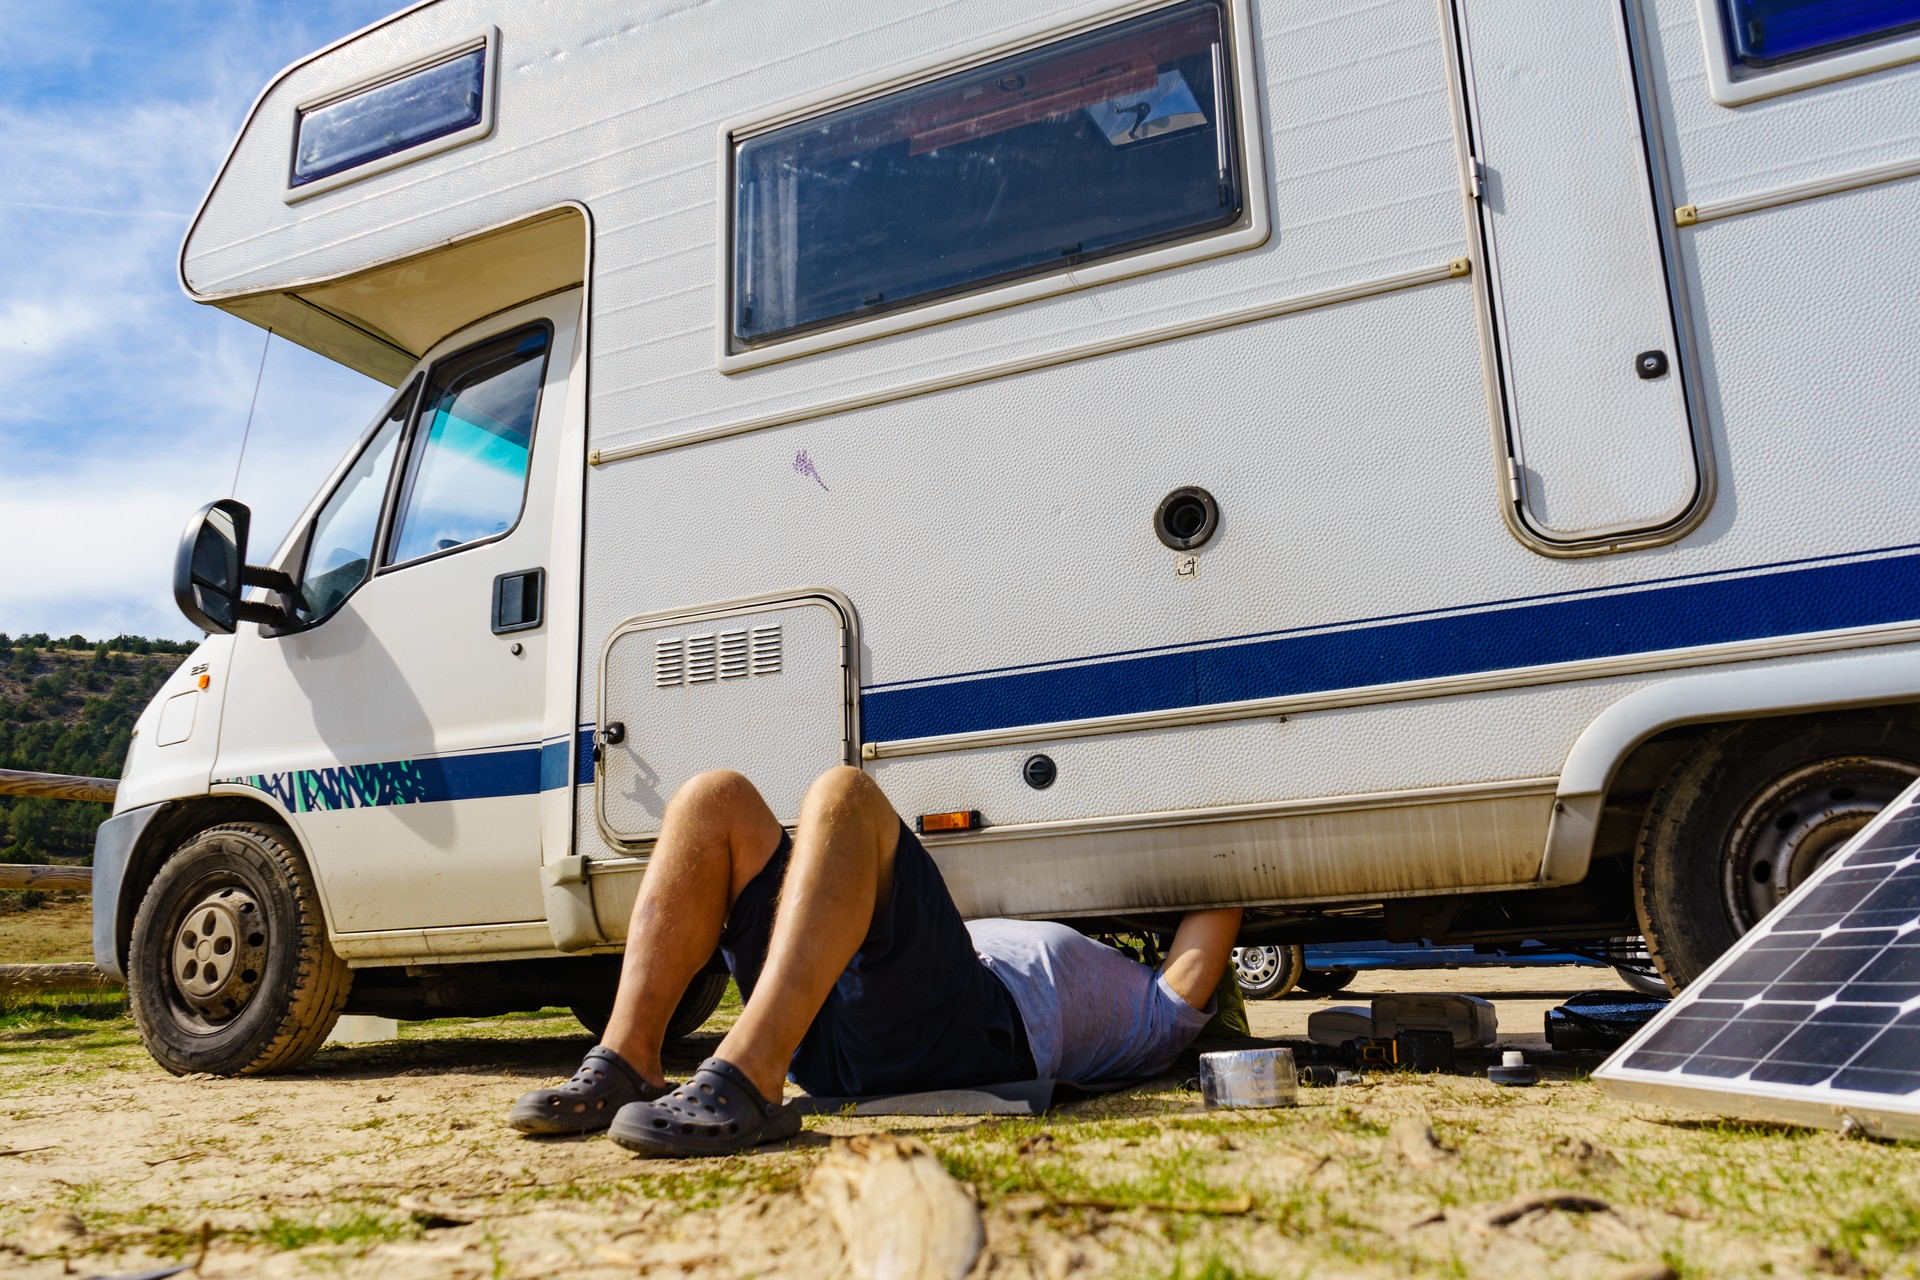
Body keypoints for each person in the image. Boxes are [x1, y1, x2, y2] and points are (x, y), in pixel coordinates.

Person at [508, 766, 1242, 1157]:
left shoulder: (1152, 1012)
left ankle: (748, 1080)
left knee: (845, 793)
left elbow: (1214, 913)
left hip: (968, 1036)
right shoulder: (1075, 957)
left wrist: (1240, 852)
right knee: (715, 798)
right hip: (842, 1022)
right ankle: (628, 1058)